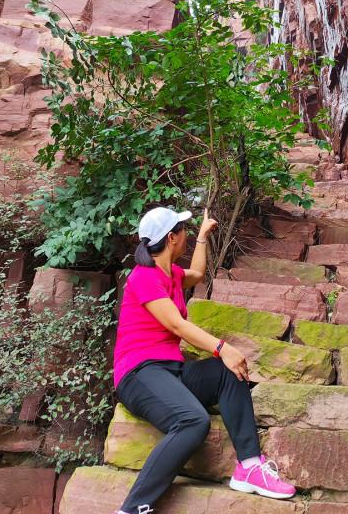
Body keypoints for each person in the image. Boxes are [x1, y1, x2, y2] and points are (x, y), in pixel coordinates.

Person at [112, 205, 296, 514]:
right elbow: (176, 325)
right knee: (192, 420)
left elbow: (196, 274)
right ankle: (132, 508)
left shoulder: (169, 274)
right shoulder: (144, 278)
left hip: (170, 370)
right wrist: (222, 347)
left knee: (228, 373)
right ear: (171, 238)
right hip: (139, 373)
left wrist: (201, 238)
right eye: (183, 230)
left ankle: (249, 466)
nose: (185, 233)